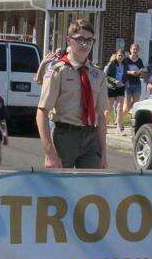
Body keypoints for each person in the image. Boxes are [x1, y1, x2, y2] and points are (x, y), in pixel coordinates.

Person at [36, 19, 109, 169]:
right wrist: (49, 153)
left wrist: (103, 152)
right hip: (65, 136)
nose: (85, 44)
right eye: (80, 39)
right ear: (69, 41)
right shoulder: (58, 71)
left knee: (90, 188)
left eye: (89, 40)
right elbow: (42, 112)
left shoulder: (98, 75)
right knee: (62, 188)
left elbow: (101, 115)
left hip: (90, 137)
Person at [122, 44, 145, 128]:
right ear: (130, 50)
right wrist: (130, 72)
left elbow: (142, 69)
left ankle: (134, 123)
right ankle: (119, 120)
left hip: (137, 84)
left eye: (136, 49)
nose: (135, 51)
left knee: (135, 105)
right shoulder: (126, 60)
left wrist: (140, 71)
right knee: (127, 106)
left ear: (138, 51)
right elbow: (123, 70)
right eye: (134, 49)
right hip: (128, 84)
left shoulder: (140, 61)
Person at [103, 50, 126, 129]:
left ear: (124, 57)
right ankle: (104, 125)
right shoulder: (112, 65)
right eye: (119, 55)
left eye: (122, 55)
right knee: (109, 107)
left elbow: (126, 75)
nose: (120, 57)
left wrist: (126, 82)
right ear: (116, 56)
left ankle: (119, 127)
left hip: (121, 88)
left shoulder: (125, 65)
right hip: (112, 87)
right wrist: (115, 81)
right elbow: (107, 76)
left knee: (120, 107)